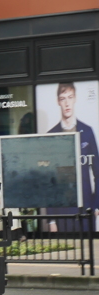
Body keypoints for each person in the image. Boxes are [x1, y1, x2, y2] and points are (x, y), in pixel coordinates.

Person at [46, 82, 99, 232]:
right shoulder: (51, 135)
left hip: (86, 208)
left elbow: (98, 172)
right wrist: (51, 220)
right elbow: (49, 180)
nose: (67, 103)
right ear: (58, 101)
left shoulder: (88, 132)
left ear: (75, 98)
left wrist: (96, 205)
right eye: (63, 98)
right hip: (61, 210)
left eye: (70, 97)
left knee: (88, 252)